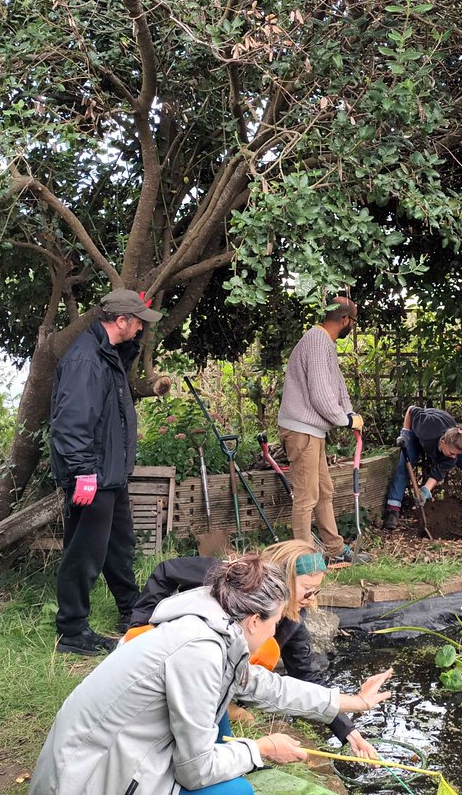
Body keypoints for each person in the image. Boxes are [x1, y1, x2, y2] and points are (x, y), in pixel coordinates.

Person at [30, 555, 394, 795]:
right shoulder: (200, 652)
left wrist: (355, 702)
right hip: (84, 780)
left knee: (223, 746)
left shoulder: (213, 622)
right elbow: (195, 771)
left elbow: (266, 687)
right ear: (254, 620)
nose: (275, 633)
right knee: (235, 792)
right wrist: (262, 748)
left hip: (110, 757)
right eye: (274, 623)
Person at [122, 540, 379, 759]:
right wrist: (142, 620)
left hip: (214, 670)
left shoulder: (293, 616)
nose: (312, 599)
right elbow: (167, 570)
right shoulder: (233, 578)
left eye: (317, 590)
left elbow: (306, 676)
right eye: (307, 590)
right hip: (164, 642)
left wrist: (348, 730)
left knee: (265, 653)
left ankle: (226, 702)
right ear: (286, 578)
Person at [49, 288, 162, 656]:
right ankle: (72, 630)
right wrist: (83, 472)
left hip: (110, 475)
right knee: (85, 554)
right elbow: (71, 422)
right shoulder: (85, 360)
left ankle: (133, 613)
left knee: (118, 549)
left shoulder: (106, 355)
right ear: (121, 321)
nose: (142, 329)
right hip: (92, 477)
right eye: (138, 323)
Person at [278, 296, 369, 564]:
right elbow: (320, 395)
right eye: (353, 322)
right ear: (345, 320)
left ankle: (334, 549)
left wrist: (349, 412)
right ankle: (302, 560)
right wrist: (344, 420)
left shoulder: (324, 343)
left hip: (312, 431)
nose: (351, 326)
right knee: (306, 497)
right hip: (302, 431)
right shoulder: (317, 341)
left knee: (323, 492)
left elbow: (336, 386)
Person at [382, 405, 462, 531]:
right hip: (417, 435)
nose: (454, 457)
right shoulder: (426, 426)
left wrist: (424, 492)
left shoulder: (454, 450)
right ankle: (393, 511)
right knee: (403, 468)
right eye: (452, 453)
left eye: (457, 454)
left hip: (445, 433)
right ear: (443, 443)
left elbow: (437, 473)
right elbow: (411, 409)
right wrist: (405, 432)